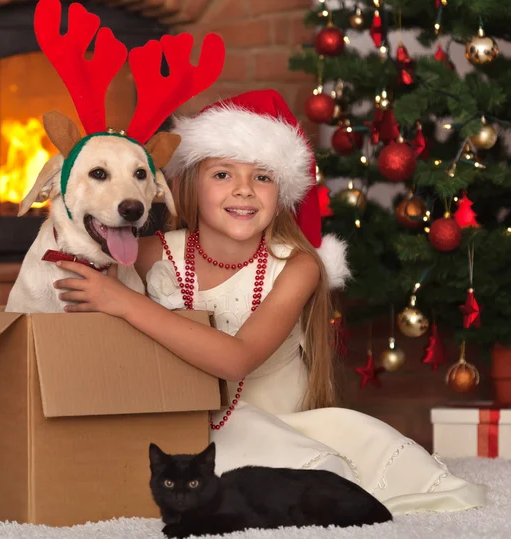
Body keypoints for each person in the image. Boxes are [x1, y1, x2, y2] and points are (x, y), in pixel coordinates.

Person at [53, 89, 486, 514]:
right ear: (188, 186)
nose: (244, 190)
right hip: (189, 426)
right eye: (223, 174)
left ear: (282, 195)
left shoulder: (297, 267)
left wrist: (125, 303)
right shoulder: (150, 254)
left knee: (349, 471)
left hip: (284, 421)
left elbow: (236, 360)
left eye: (262, 177)